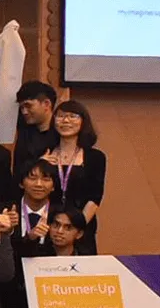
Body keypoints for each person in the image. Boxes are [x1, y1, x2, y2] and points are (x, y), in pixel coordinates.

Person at [42, 99, 106, 254]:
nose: (65, 120)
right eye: (60, 116)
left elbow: (95, 196)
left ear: (83, 122)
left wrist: (76, 227)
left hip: (82, 226)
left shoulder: (95, 157)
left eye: (72, 116)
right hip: (49, 226)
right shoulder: (44, 153)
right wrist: (40, 165)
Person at [12, 81, 59, 175]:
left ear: (46, 104)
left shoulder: (62, 133)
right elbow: (17, 171)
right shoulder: (24, 134)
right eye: (22, 108)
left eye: (28, 106)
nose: (24, 112)